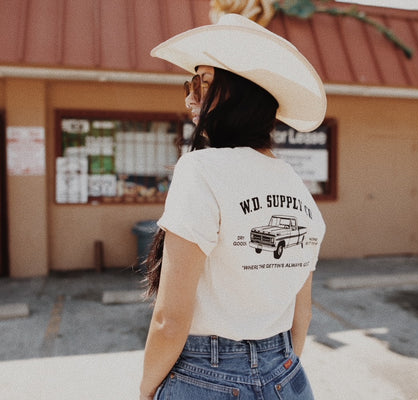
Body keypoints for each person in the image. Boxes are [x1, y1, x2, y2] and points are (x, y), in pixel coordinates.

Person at [140, 13, 327, 400]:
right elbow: (302, 315)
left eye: (203, 83)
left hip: (205, 375)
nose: (191, 98)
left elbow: (170, 321)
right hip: (287, 374)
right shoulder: (296, 184)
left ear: (239, 94)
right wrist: (278, 370)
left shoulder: (200, 169)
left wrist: (145, 392)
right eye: (190, 83)